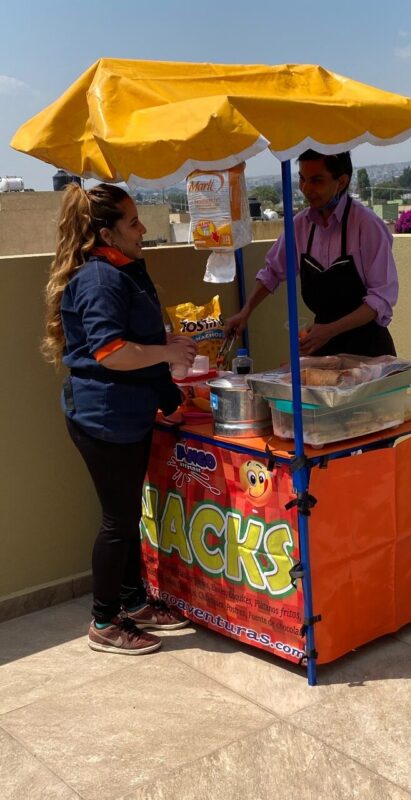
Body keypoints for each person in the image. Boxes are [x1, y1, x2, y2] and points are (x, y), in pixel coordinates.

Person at [42, 182, 197, 655]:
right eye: (133, 221)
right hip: (102, 417)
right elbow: (111, 352)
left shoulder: (124, 270)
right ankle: (105, 620)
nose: (143, 228)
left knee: (128, 516)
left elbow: (135, 344)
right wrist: (168, 352)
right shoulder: (101, 279)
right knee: (117, 520)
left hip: (125, 415)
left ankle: (134, 601)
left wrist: (171, 383)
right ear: (107, 232)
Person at [225, 150, 398, 357]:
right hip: (322, 348)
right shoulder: (300, 226)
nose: (306, 189)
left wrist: (329, 331)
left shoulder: (367, 226)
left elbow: (381, 299)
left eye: (316, 180)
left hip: (369, 352)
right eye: (302, 179)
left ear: (341, 182)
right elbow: (272, 272)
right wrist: (246, 311)